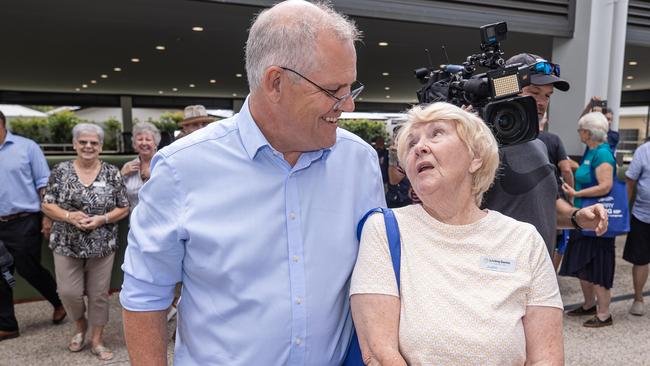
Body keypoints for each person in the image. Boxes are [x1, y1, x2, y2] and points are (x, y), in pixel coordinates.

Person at [120, 1, 385, 365]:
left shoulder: (360, 162)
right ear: (275, 82)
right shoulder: (182, 168)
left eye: (351, 88)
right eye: (333, 90)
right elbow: (145, 296)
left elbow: (377, 279)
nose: (349, 106)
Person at [350, 102, 563, 365]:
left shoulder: (524, 240)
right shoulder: (386, 230)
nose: (420, 147)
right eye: (411, 143)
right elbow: (379, 352)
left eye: (436, 133)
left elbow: (547, 357)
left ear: (475, 158)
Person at [482, 53, 608, 255]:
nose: (542, 102)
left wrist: (577, 217)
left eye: (547, 95)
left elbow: (547, 207)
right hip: (498, 277)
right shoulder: (480, 146)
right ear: (504, 89)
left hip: (540, 275)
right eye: (534, 92)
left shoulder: (539, 145)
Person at [42, 123, 129, 359]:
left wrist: (102, 219)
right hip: (65, 243)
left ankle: (97, 339)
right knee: (68, 292)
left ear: (100, 146)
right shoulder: (60, 171)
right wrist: (69, 216)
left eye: (93, 142)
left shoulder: (112, 173)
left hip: (102, 243)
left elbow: (124, 207)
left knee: (99, 293)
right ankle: (80, 327)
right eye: (83, 142)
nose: (88, 146)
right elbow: (47, 204)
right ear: (74, 144)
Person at [0, 110, 66, 342]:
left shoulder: (26, 147)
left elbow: (43, 183)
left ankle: (59, 302)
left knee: (29, 268)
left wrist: (48, 217)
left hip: (24, 220)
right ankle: (8, 324)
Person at [560, 112, 616, 327]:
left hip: (597, 221)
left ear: (589, 133)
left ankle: (604, 314)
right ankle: (588, 304)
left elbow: (605, 185)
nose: (578, 133)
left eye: (581, 130)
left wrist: (576, 194)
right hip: (584, 219)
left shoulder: (602, 154)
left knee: (598, 268)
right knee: (584, 266)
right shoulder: (592, 151)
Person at [537, 113, 575, 270]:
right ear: (545, 120)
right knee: (554, 239)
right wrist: (571, 192)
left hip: (528, 197)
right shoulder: (553, 139)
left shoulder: (516, 138)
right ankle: (548, 276)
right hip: (554, 196)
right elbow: (566, 169)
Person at [623, 139, 650, 316]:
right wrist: (625, 211)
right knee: (640, 259)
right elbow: (630, 181)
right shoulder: (644, 151)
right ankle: (638, 299)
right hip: (643, 215)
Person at [121, 122, 160, 210]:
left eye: (148, 139)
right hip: (135, 220)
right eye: (140, 139)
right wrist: (121, 174)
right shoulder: (128, 166)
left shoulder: (163, 164)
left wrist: (156, 176)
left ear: (155, 144)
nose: (144, 143)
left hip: (161, 220)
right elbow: (116, 195)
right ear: (135, 144)